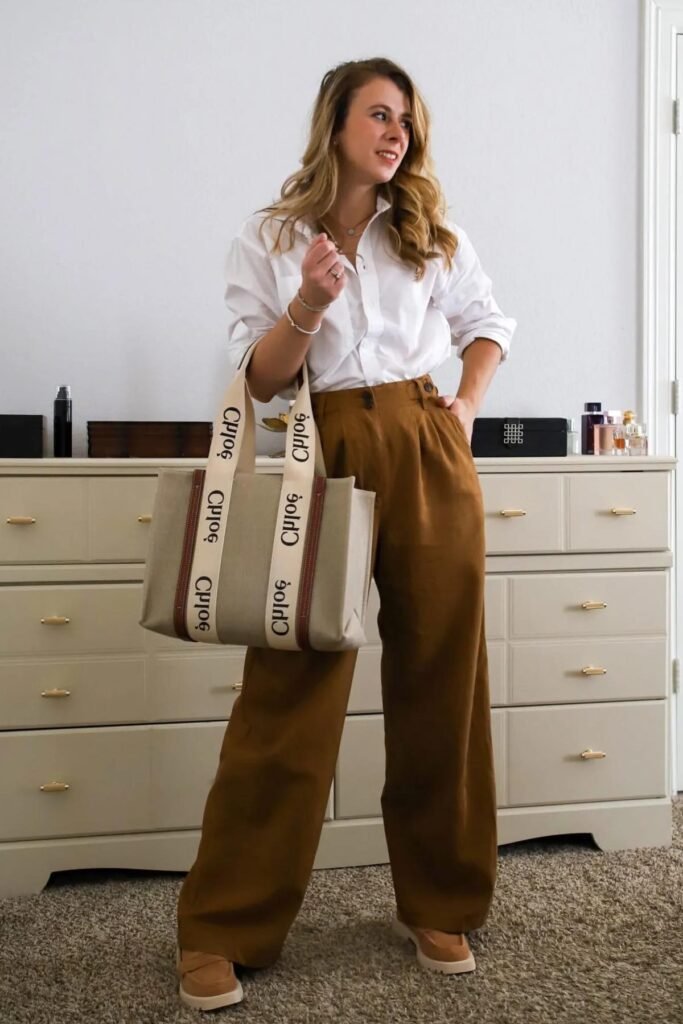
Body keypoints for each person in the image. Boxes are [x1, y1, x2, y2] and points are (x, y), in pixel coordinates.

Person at [176, 57, 517, 1012]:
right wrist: (310, 301)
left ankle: (440, 899)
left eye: (405, 118)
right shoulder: (273, 236)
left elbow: (488, 322)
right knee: (289, 688)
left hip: (425, 444)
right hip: (322, 451)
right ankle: (223, 922)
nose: (396, 131)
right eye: (377, 113)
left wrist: (463, 407)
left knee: (440, 679)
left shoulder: (427, 234)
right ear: (334, 124)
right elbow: (259, 379)